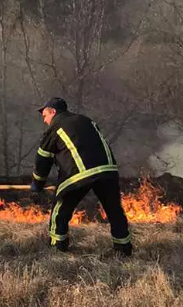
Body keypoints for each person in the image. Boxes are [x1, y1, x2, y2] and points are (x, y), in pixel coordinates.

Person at [31, 97, 132, 256]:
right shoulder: (86, 120)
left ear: (53, 111)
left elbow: (43, 159)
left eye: (44, 116)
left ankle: (57, 249)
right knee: (114, 211)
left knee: (61, 209)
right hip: (108, 169)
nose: (44, 120)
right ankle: (124, 250)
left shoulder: (55, 127)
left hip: (80, 173)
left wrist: (37, 185)